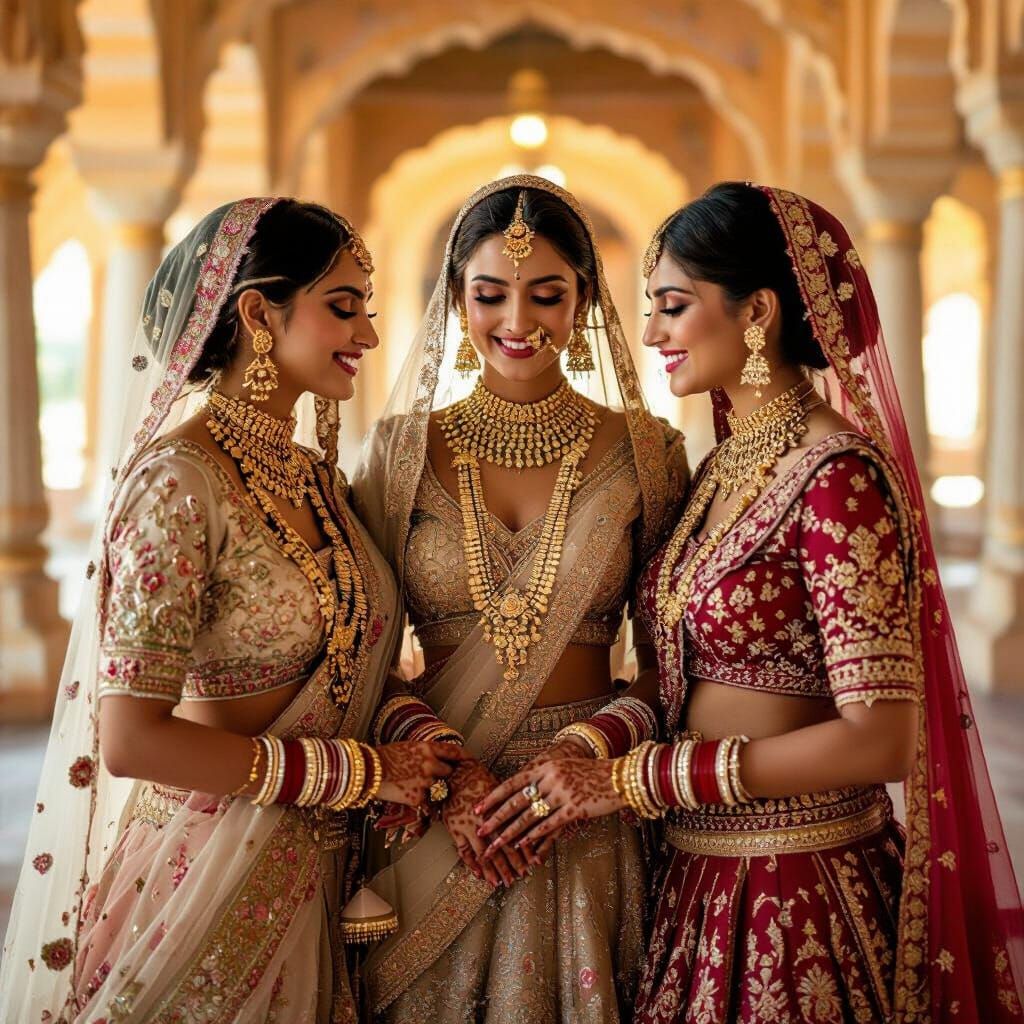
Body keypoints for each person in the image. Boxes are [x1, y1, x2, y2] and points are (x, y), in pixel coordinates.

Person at [479, 182, 1024, 1021]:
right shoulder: (720, 473)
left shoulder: (838, 477)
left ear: (757, 311)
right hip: (695, 877)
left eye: (673, 305)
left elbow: (882, 739)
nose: (652, 332)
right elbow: (676, 677)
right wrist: (589, 754)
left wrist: (642, 781)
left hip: (801, 887)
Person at [0, 197, 464, 1024]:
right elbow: (132, 739)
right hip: (206, 874)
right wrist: (356, 774)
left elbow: (355, 661)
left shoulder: (317, 482)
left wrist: (418, 741)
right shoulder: (179, 482)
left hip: (324, 872)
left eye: (367, 310)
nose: (367, 336)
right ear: (257, 312)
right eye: (343, 307)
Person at [351, 175, 688, 1022]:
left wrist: (584, 752)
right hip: (437, 809)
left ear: (584, 303)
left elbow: (674, 664)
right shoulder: (396, 454)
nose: (517, 321)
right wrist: (449, 778)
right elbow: (356, 662)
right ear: (454, 300)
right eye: (489, 294)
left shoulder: (649, 452)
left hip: (584, 812)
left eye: (548, 294)